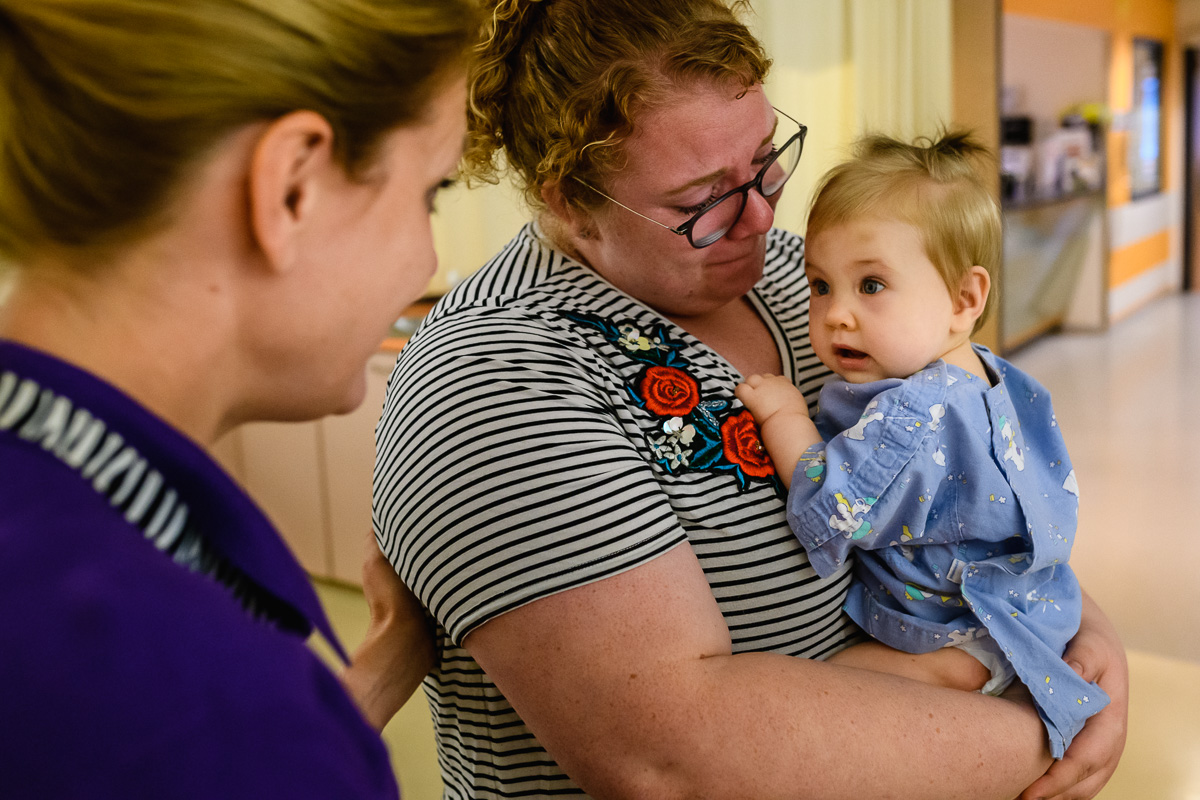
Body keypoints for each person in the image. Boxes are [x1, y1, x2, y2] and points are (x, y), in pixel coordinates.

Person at [373, 1, 1128, 798]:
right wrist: (1051, 728)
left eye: (766, 161)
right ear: (569, 200)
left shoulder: (799, 274)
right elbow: (671, 759)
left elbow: (957, 472)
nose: (763, 216)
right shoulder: (500, 377)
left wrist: (1072, 630)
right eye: (701, 199)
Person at [0, 0, 476, 796]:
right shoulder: (198, 697)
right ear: (293, 186)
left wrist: (362, 686)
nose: (424, 258)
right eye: (432, 192)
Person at [735, 131, 1109, 760]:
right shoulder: (988, 374)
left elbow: (832, 508)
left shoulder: (915, 410)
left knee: (828, 692)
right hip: (1033, 609)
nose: (836, 316)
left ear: (965, 300)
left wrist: (784, 417)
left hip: (959, 641)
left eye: (872, 285)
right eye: (820, 285)